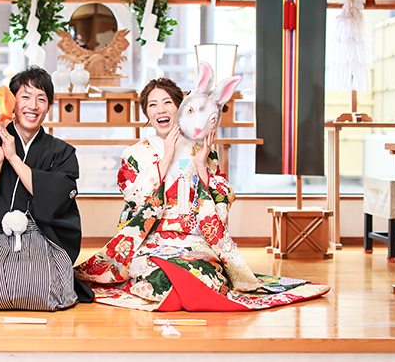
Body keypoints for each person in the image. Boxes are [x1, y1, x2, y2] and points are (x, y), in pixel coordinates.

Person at [74, 78, 329, 311]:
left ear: (180, 108)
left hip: (194, 239)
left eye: (167, 102)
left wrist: (201, 165)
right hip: (151, 240)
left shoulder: (202, 149)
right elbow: (134, 198)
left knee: (204, 272)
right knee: (158, 277)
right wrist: (166, 158)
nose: (161, 109)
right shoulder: (134, 153)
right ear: (146, 114)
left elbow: (222, 196)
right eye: (153, 105)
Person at [0, 66, 94, 310]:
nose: (33, 106)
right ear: (11, 102)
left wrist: (13, 158)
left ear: (48, 107)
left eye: (41, 99)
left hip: (42, 236)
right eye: (25, 97)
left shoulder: (62, 152)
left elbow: (58, 197)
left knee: (46, 288)